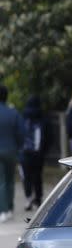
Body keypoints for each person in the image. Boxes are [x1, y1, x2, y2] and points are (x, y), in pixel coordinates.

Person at [20, 96, 50, 211]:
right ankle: (38, 199)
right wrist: (44, 150)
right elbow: (49, 136)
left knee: (26, 177)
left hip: (25, 152)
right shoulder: (43, 118)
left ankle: (28, 198)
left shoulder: (23, 117)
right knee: (37, 176)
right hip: (38, 153)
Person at [0, 85, 24, 223]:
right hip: (11, 149)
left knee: (1, 181)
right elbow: (21, 132)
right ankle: (9, 208)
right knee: (10, 180)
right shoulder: (13, 113)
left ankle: (2, 210)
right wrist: (18, 146)